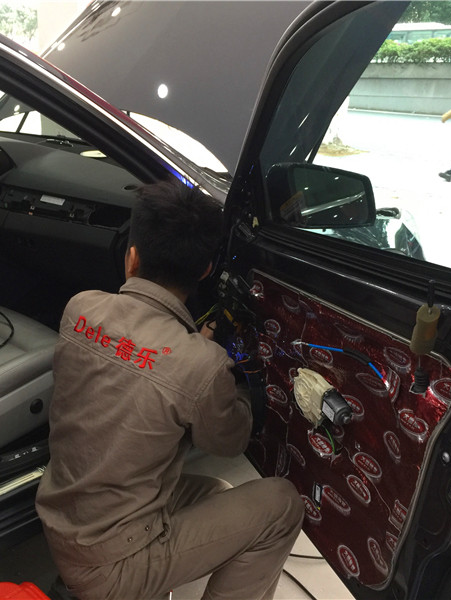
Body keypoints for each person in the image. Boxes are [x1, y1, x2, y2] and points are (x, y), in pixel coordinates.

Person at [36, 179, 303, 600]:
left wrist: (193, 351)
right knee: (283, 504)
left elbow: (139, 366)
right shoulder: (200, 364)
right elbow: (230, 441)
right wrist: (232, 383)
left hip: (63, 523)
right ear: (205, 270)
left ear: (131, 257)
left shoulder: (80, 308)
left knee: (216, 493)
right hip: (111, 563)